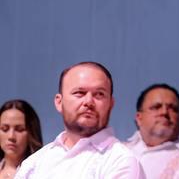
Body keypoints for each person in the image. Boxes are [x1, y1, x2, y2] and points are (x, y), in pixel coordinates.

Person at [14, 62, 142, 179]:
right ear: (59, 102)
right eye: (79, 93)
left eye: (99, 94)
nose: (88, 102)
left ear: (111, 104)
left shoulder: (121, 161)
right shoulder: (35, 162)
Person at [125, 84, 179, 179]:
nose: (164, 112)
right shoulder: (116, 152)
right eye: (156, 107)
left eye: (173, 109)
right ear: (139, 118)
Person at [0, 100, 42, 179]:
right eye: (4, 129)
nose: (11, 136)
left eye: (19, 129)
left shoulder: (42, 172)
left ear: (31, 132)